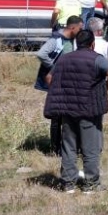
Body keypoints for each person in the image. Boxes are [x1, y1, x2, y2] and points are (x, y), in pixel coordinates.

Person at [44, 30, 108, 194]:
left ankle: (68, 184)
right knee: (90, 148)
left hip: (67, 109)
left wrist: (61, 92)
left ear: (76, 43)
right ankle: (91, 185)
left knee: (69, 147)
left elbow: (49, 78)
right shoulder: (96, 59)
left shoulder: (64, 59)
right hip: (89, 110)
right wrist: (104, 89)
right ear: (92, 44)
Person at [36, 15, 83, 156]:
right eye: (80, 28)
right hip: (57, 83)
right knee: (57, 116)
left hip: (70, 82)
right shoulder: (56, 40)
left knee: (70, 115)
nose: (81, 31)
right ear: (73, 27)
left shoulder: (75, 41)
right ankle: (55, 148)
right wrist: (55, 66)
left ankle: (70, 145)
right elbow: (41, 54)